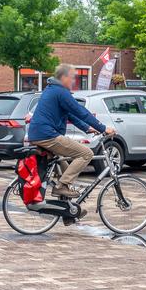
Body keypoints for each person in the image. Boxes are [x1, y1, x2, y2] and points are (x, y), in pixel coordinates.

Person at [27, 64, 115, 199]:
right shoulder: (60, 92)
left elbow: (70, 114)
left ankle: (66, 205)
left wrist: (87, 128)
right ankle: (61, 186)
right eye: (72, 77)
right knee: (86, 154)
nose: (73, 81)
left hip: (39, 134)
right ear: (63, 77)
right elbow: (80, 111)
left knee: (63, 165)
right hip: (48, 135)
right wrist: (102, 128)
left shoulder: (51, 89)